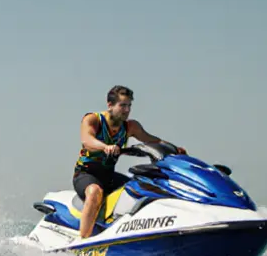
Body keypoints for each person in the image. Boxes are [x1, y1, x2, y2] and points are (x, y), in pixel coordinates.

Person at [74, 85, 185, 239]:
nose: (127, 110)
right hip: (86, 174)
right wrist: (105, 147)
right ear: (110, 105)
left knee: (144, 188)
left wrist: (173, 148)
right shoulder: (93, 120)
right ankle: (83, 241)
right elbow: (87, 140)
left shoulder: (131, 126)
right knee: (94, 192)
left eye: (129, 106)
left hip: (109, 176)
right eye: (123, 105)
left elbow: (152, 140)